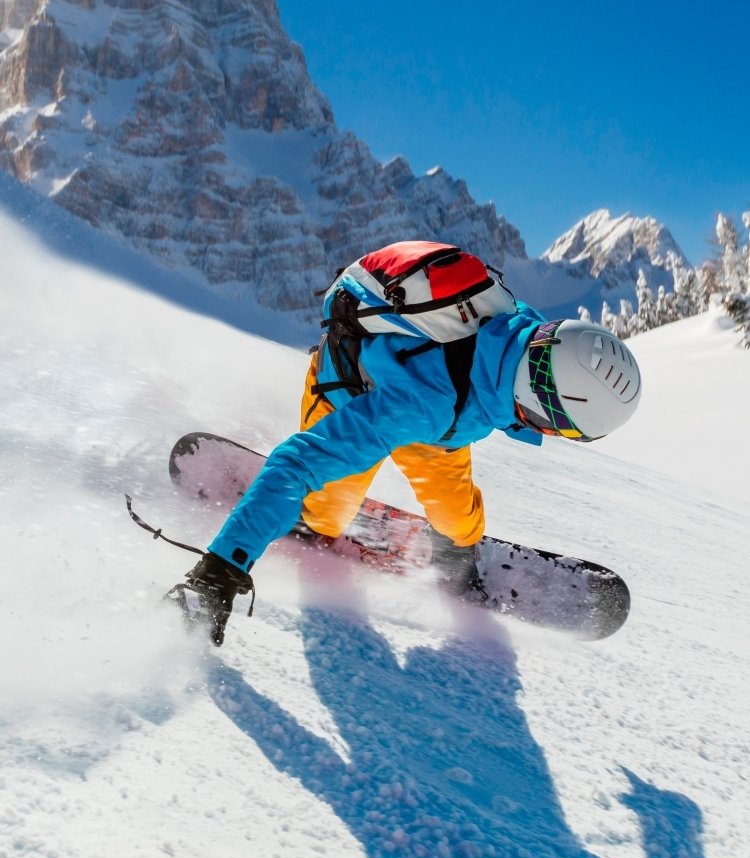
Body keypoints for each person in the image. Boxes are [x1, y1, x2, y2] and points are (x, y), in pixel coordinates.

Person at [168, 242, 642, 644]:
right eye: (559, 426)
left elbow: (467, 386)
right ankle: (306, 517)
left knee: (459, 521)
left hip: (448, 424)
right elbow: (296, 463)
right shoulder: (424, 402)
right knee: (327, 513)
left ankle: (454, 552)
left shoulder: (524, 336)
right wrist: (219, 572)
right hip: (354, 394)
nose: (550, 435)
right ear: (535, 404)